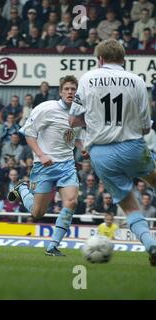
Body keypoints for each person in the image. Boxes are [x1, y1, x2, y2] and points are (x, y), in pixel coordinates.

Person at [69, 39, 156, 266]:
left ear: (100, 59)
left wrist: (90, 133)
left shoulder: (88, 79)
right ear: (123, 59)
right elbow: (146, 127)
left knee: (129, 206)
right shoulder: (137, 81)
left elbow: (73, 120)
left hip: (101, 154)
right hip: (133, 148)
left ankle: (152, 245)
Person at [8, 75, 85, 256]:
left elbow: (77, 137)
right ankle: (22, 189)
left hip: (67, 165)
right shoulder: (46, 108)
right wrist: (41, 155)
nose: (70, 92)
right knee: (37, 213)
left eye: (73, 89)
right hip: (45, 166)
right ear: (60, 92)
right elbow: (29, 133)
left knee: (72, 201)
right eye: (67, 89)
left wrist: (83, 148)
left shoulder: (79, 112)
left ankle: (53, 246)